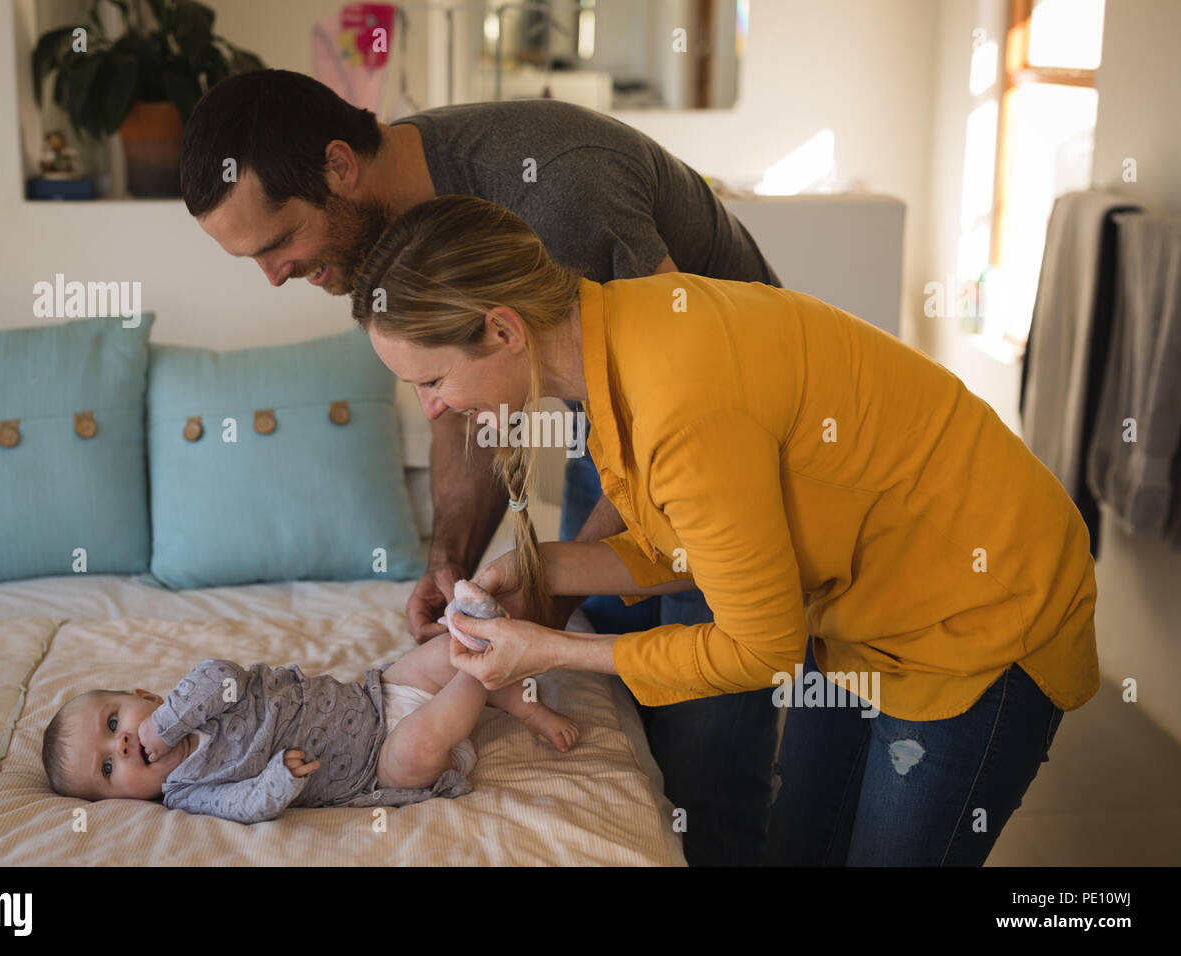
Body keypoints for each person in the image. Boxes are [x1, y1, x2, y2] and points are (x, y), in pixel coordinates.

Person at [348, 194, 1100, 866]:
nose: (432, 411)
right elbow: (698, 548)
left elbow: (758, 648)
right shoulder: (613, 349)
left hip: (984, 603)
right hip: (868, 605)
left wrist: (548, 648)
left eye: (432, 381)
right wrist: (548, 566)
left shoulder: (678, 399)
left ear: (503, 329)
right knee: (800, 845)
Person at [180, 68, 782, 863]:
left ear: (337, 167)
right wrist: (451, 558)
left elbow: (668, 404)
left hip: (720, 443)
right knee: (626, 684)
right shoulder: (397, 214)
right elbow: (464, 389)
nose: (275, 275)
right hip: (607, 430)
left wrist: (547, 593)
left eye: (280, 241)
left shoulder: (560, 191)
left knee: (706, 758)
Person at [40, 622, 579, 825]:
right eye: (108, 766)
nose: (126, 743)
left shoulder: (196, 701)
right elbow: (246, 804)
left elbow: (218, 674)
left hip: (379, 694)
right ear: (121, 802)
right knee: (419, 744)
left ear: (145, 696)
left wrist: (164, 725)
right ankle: (487, 676)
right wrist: (280, 778)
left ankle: (520, 700)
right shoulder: (188, 792)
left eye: (115, 721)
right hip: (377, 764)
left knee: (439, 650)